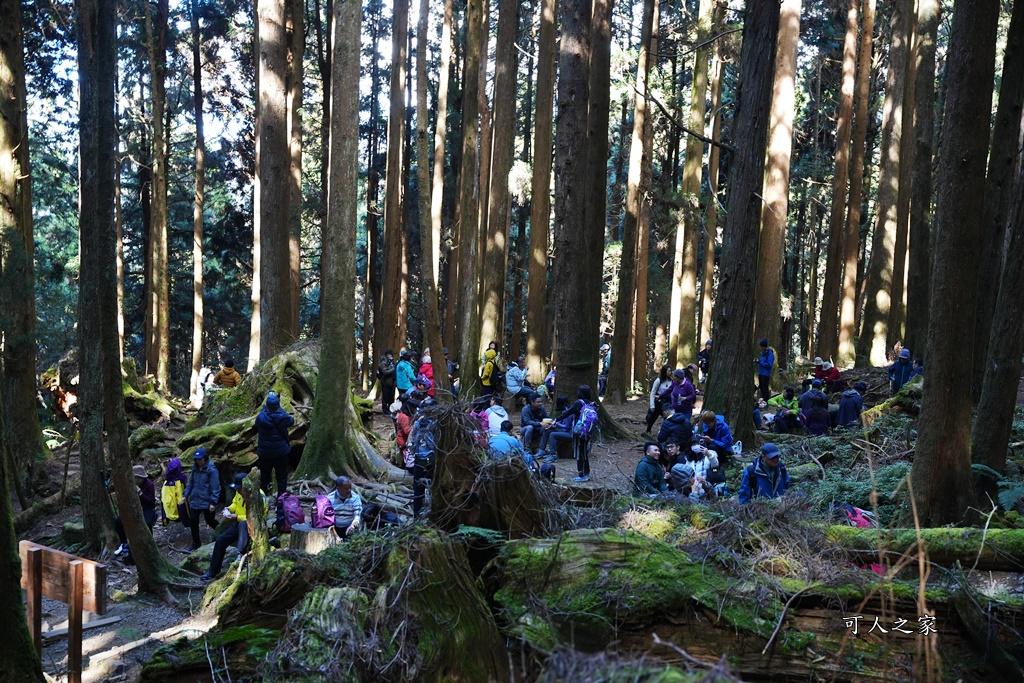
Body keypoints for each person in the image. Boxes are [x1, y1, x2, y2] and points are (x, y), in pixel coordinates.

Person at [201, 473, 250, 580]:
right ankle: (213, 571)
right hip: (239, 524)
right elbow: (235, 503)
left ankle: (241, 555)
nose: (237, 490)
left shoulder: (257, 495)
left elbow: (255, 516)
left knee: (243, 525)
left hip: (252, 527)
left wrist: (237, 517)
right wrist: (229, 509)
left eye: (239, 488)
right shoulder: (239, 493)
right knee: (220, 541)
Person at [255, 391, 294, 497]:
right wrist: (279, 410)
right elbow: (291, 420)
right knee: (281, 479)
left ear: (267, 406)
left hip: (265, 454)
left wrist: (265, 408)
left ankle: (262, 502)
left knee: (264, 479)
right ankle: (281, 503)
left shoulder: (261, 418)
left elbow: (258, 419)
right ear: (278, 406)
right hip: (281, 453)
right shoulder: (283, 417)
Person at [557, 385, 598, 482]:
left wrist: (556, 420)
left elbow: (567, 413)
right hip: (587, 432)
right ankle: (585, 472)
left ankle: (582, 474)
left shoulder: (578, 403)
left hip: (579, 431)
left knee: (580, 453)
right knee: (584, 452)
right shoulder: (591, 403)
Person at [114, 465, 157, 556]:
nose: (136, 480)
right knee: (119, 521)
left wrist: (140, 493)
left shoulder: (149, 485)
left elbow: (151, 500)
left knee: (147, 522)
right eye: (135, 478)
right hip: (133, 508)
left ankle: (150, 544)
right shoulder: (130, 484)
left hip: (147, 508)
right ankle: (124, 543)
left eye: (137, 478)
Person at [184, 448, 221, 552]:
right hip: (195, 500)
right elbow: (191, 483)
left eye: (200, 459)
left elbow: (215, 487)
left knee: (210, 521)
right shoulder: (195, 469)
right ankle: (196, 543)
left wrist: (213, 502)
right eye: (196, 459)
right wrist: (185, 495)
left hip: (207, 501)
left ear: (205, 458)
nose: (198, 461)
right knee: (193, 522)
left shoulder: (212, 470)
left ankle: (223, 533)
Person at [408, 410, 437, 518]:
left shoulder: (417, 424)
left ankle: (416, 515)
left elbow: (409, 443)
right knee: (434, 488)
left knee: (417, 491)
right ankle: (433, 515)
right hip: (432, 463)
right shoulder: (436, 424)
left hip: (418, 462)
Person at [161, 457, 189, 528]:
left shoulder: (166, 482)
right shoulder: (180, 481)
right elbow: (180, 500)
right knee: (182, 504)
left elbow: (163, 500)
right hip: (178, 511)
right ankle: (187, 522)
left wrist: (164, 519)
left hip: (171, 513)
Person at [645, 365, 671, 434]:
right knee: (653, 417)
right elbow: (653, 392)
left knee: (668, 417)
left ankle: (664, 432)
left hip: (666, 402)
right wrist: (652, 405)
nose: (669, 372)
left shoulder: (671, 381)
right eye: (668, 371)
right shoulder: (658, 380)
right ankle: (648, 430)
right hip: (658, 401)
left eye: (670, 371)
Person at [396, 399, 418, 469]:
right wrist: (416, 424)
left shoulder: (404, 415)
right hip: (403, 441)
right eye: (415, 408)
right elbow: (407, 431)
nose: (416, 410)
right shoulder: (404, 417)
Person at [377, 350, 397, 414]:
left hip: (391, 382)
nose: (392, 356)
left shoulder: (391, 362)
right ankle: (385, 410)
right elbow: (385, 372)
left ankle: (390, 409)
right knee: (385, 397)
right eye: (391, 355)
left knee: (391, 397)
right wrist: (394, 369)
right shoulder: (383, 363)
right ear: (388, 355)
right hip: (386, 382)